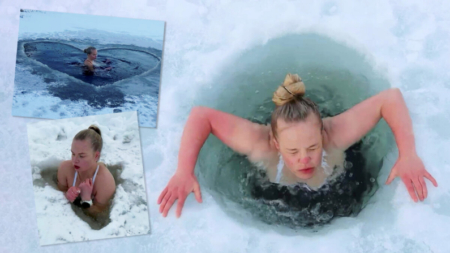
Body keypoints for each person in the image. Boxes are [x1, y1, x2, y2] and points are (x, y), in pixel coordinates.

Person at [157, 73, 438, 218]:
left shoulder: (335, 133)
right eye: (292, 151)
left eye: (313, 147)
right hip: (276, 196)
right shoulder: (259, 143)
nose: (305, 159)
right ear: (276, 142)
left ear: (323, 131)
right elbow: (200, 116)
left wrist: (408, 154)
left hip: (341, 187)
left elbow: (390, 98)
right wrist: (184, 170)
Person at [57, 125, 116, 217]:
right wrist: (66, 195)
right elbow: (56, 194)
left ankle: (101, 164)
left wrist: (86, 199)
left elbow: (100, 215)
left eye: (81, 156)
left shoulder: (105, 182)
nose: (75, 160)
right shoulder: (65, 168)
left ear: (96, 156)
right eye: (73, 154)